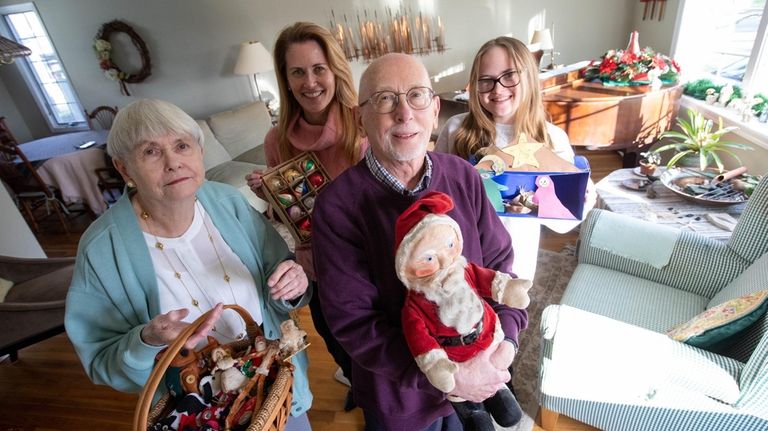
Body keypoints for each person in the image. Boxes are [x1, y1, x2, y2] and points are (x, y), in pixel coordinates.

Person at [65, 99, 313, 430]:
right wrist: (146, 339)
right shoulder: (102, 249)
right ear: (124, 169)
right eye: (150, 152)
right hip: (193, 414)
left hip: (275, 391)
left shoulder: (229, 203)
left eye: (182, 145)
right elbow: (100, 359)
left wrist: (293, 282)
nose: (173, 163)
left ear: (199, 151)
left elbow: (278, 279)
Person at [312, 53, 527, 431]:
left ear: (435, 109)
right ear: (359, 117)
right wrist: (446, 375)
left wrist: (503, 343)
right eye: (384, 99)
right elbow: (354, 321)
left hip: (482, 370)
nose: (404, 113)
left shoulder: (462, 175)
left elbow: (499, 265)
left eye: (417, 96)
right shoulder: (337, 206)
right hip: (400, 400)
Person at [245, 21, 368, 409]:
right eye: (297, 71)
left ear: (335, 69)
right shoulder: (276, 140)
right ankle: (359, 388)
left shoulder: (361, 121)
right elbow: (284, 217)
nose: (310, 82)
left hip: (368, 263)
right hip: (316, 265)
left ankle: (380, 399)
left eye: (318, 68)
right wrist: (271, 192)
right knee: (336, 342)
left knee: (376, 340)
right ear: (285, 79)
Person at [435, 36, 595, 280]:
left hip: (517, 260)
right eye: (486, 80)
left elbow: (562, 224)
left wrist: (582, 196)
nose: (497, 89)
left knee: (509, 313)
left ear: (529, 77)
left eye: (509, 76)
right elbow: (436, 192)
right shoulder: (456, 129)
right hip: (461, 257)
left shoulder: (552, 138)